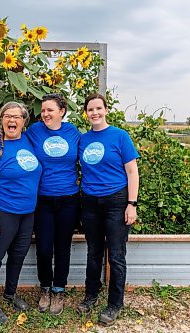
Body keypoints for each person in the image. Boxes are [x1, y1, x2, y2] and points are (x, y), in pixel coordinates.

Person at [76, 93, 140, 326]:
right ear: (86, 113)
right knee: (93, 252)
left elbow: (132, 172)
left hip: (116, 201)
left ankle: (115, 303)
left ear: (106, 110)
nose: (94, 113)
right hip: (90, 202)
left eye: (98, 108)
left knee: (115, 254)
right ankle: (91, 295)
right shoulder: (82, 139)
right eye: (90, 109)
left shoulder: (120, 136)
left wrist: (131, 204)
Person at [0, 101, 42, 324]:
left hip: (27, 213)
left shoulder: (29, 141)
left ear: (24, 122)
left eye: (17, 117)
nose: (12, 120)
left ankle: (10, 293)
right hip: (3, 212)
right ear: (1, 120)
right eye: (7, 116)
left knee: (18, 255)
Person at [25, 93, 81, 315]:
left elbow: (88, 154)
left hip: (69, 199)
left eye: (50, 110)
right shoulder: (35, 131)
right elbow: (16, 140)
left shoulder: (73, 132)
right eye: (43, 110)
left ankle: (59, 290)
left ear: (62, 111)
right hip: (43, 199)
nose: (45, 114)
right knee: (45, 248)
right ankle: (45, 288)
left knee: (63, 247)